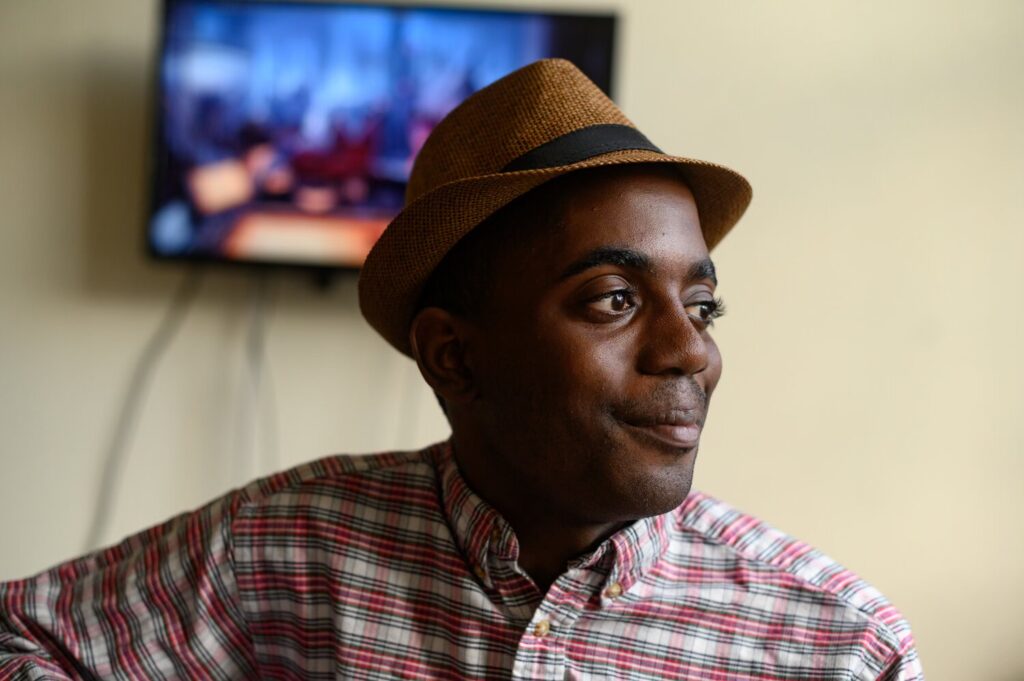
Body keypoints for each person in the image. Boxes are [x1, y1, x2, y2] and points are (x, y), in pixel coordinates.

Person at [0, 59, 923, 680]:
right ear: (454, 354)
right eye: (614, 299)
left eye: (703, 303)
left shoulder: (839, 646)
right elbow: (23, 634)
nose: (692, 351)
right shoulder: (284, 546)